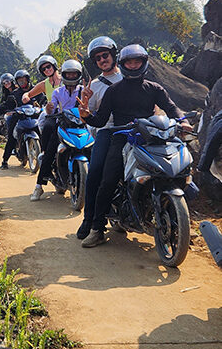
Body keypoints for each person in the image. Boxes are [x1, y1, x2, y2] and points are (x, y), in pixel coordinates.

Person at [77, 44, 192, 247]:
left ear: (143, 63)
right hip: (122, 136)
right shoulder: (113, 91)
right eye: (129, 62)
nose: (133, 65)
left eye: (137, 61)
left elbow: (171, 107)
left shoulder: (154, 88)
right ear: (123, 64)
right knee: (108, 178)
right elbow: (101, 120)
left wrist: (182, 121)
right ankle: (97, 228)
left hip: (150, 135)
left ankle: (180, 221)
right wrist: (86, 115)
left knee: (177, 168)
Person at [75, 37, 123, 240]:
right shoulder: (93, 85)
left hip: (133, 129)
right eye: (98, 58)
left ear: (113, 55)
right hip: (106, 130)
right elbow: (88, 116)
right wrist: (83, 109)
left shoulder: (129, 77)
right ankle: (90, 219)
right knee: (95, 172)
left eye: (105, 55)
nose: (102, 60)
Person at [31, 59, 84, 200]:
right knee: (51, 149)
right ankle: (39, 186)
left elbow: (90, 107)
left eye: (74, 74)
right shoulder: (58, 92)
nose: (71, 77)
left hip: (81, 125)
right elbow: (51, 108)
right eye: (69, 74)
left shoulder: (84, 90)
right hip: (63, 124)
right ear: (65, 75)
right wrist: (49, 108)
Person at [0, 69, 45, 170]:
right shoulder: (15, 93)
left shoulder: (36, 90)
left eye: (23, 80)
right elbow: (7, 104)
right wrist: (8, 110)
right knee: (11, 136)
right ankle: (5, 160)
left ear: (28, 80)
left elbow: (43, 100)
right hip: (19, 116)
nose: (22, 83)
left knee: (44, 132)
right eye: (20, 81)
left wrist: (43, 107)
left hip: (34, 115)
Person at [22, 55, 61, 153]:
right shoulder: (44, 84)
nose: (47, 70)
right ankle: (44, 151)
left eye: (48, 67)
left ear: (54, 65)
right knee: (45, 126)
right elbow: (29, 93)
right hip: (51, 112)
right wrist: (25, 96)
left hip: (67, 110)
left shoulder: (65, 79)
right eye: (43, 69)